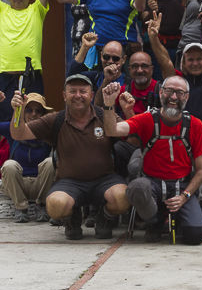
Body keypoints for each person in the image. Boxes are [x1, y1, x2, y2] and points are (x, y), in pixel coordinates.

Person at [9, 74, 129, 240]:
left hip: (105, 180)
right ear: (64, 95)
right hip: (69, 182)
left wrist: (127, 109)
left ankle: (105, 218)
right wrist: (18, 111)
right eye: (72, 91)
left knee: (123, 197)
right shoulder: (55, 120)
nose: (78, 95)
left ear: (91, 95)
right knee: (55, 206)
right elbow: (19, 134)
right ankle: (71, 217)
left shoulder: (103, 115)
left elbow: (132, 137)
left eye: (83, 91)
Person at [102, 76, 202, 245]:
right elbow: (112, 130)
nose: (173, 97)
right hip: (152, 183)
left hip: (181, 186)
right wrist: (109, 104)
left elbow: (201, 171)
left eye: (179, 93)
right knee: (137, 187)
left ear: (187, 97)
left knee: (195, 235)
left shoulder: (195, 125)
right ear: (160, 93)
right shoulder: (147, 119)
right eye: (169, 91)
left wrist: (184, 196)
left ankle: (180, 219)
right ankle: (154, 221)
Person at [148, 11, 202, 235]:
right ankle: (165, 215)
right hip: (178, 141)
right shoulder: (176, 82)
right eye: (189, 59)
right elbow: (164, 62)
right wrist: (154, 37)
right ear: (183, 62)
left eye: (198, 59)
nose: (194, 63)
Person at [0, 90, 55, 223]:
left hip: (41, 184)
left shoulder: (49, 131)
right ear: (23, 112)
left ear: (43, 115)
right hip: (17, 185)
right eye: (29, 110)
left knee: (51, 162)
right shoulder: (12, 128)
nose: (33, 114)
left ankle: (42, 205)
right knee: (9, 165)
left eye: (38, 111)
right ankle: (21, 208)